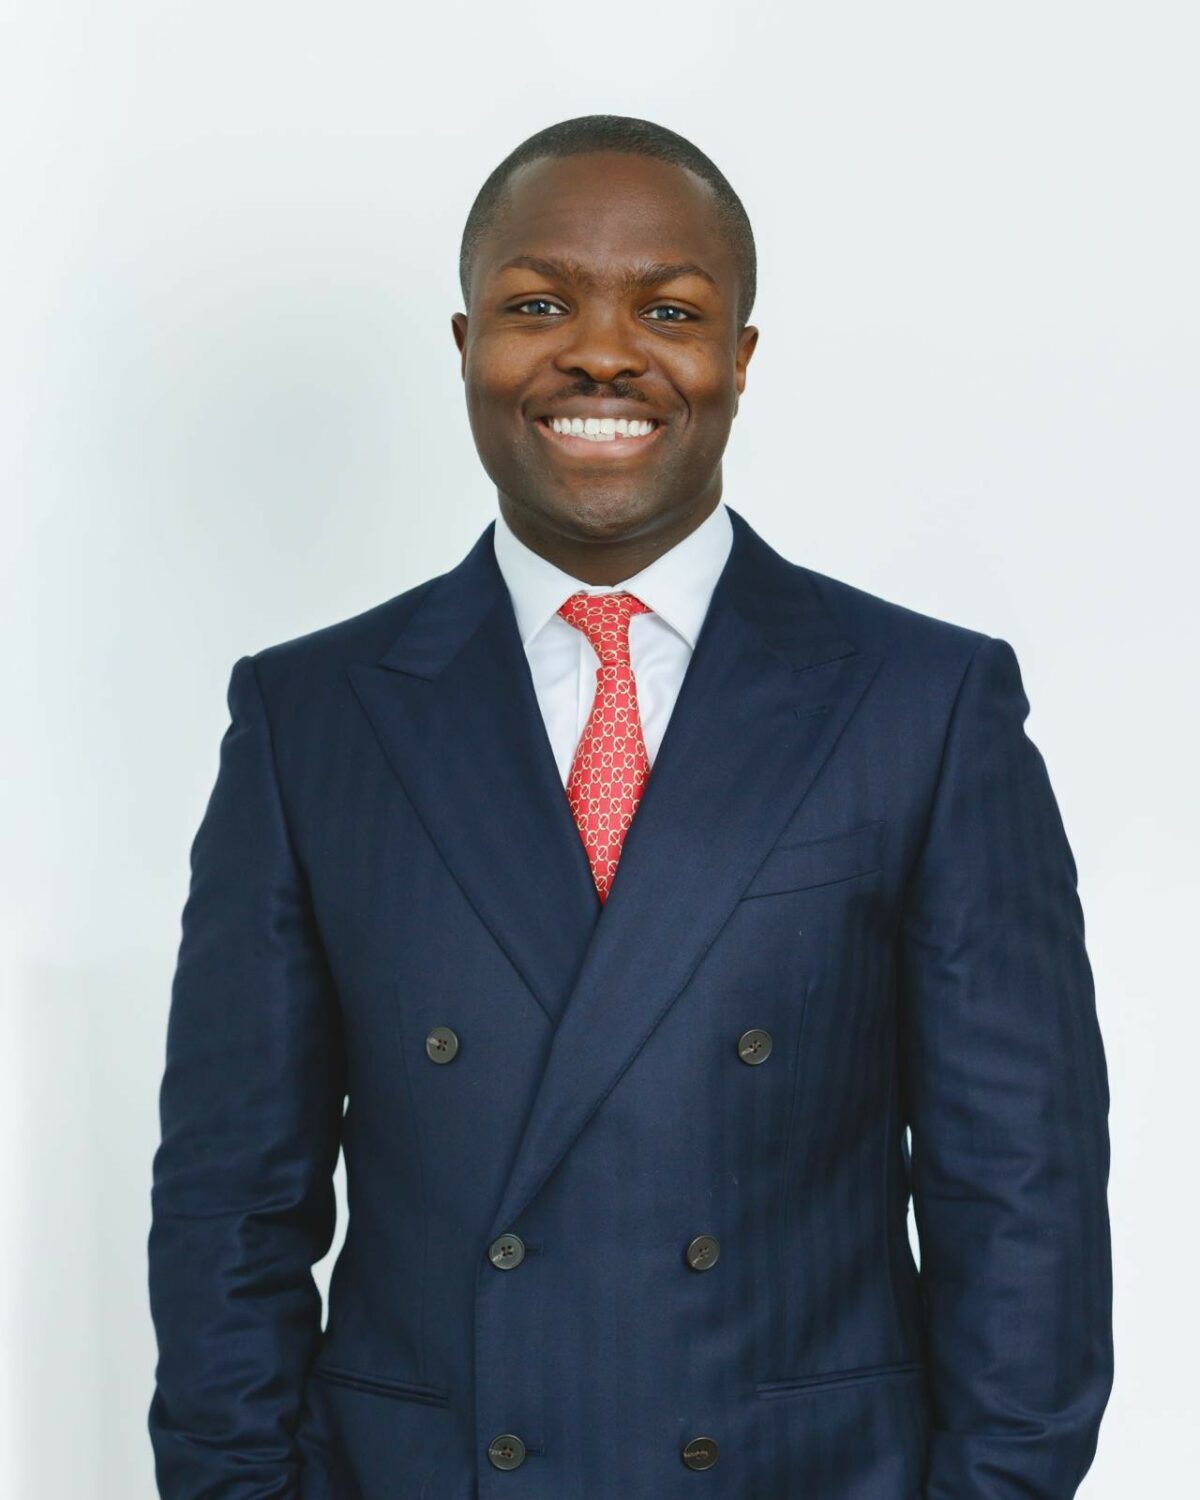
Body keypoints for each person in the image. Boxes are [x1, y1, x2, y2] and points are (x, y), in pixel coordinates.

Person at [146, 113, 1113, 1500]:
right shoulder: (312, 717)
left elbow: (1021, 1201)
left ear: (740, 359)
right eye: (540, 305)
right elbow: (230, 1207)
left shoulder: (923, 703)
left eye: (670, 309)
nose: (602, 351)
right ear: (468, 341)